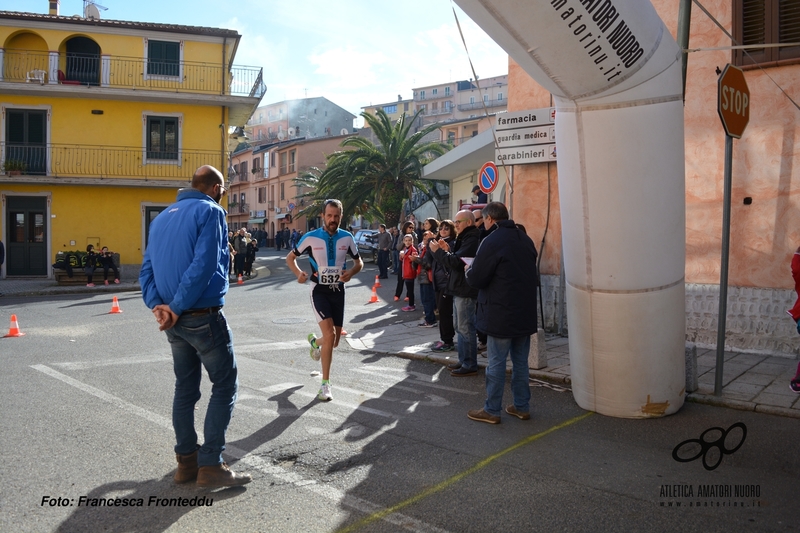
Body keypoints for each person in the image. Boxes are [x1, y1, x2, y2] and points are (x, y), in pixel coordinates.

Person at [139, 165, 251, 488]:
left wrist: (160, 308)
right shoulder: (211, 212)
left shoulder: (160, 219)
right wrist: (173, 307)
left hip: (174, 323)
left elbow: (146, 272)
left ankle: (186, 463)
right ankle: (211, 463)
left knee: (185, 389)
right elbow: (202, 266)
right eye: (224, 191)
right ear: (216, 188)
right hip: (202, 315)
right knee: (225, 384)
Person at [465, 202, 539, 424]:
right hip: (524, 312)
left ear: (489, 219)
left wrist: (468, 271)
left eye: (483, 220)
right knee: (520, 363)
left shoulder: (492, 240)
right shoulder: (525, 239)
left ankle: (492, 410)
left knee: (496, 363)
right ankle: (521, 406)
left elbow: (478, 277)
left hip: (500, 312)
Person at [286, 199, 363, 401]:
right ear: (323, 215)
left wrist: (352, 272)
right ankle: (325, 385)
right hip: (318, 290)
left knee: (334, 341)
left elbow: (359, 262)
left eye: (336, 216)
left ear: (341, 216)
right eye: (329, 215)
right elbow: (290, 258)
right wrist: (298, 273)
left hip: (338, 291)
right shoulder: (311, 237)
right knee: (329, 334)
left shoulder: (347, 238)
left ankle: (314, 342)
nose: (332, 219)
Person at [430, 210, 480, 376]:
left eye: (459, 221)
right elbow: (456, 259)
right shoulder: (465, 237)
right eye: (456, 221)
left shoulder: (471, 238)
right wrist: (446, 251)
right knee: (460, 327)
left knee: (465, 328)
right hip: (460, 287)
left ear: (469, 222)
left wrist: (439, 252)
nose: (456, 224)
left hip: (465, 289)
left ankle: (470, 363)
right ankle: (464, 359)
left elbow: (457, 263)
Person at [430, 220, 455, 351]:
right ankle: (445, 339)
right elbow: (429, 262)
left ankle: (447, 341)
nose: (443, 230)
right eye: (441, 228)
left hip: (447, 283)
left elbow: (450, 261)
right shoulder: (436, 242)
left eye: (447, 228)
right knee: (442, 311)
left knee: (445, 312)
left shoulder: (452, 243)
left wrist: (445, 249)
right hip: (438, 282)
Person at [416, 218, 439, 327]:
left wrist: (415, 259)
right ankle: (430, 318)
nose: (425, 240)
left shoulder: (431, 245)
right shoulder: (425, 247)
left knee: (427, 299)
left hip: (427, 276)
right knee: (426, 299)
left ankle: (430, 320)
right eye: (424, 238)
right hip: (423, 275)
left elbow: (428, 262)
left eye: (427, 237)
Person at [394, 221, 417, 302]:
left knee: (410, 279)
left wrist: (411, 243)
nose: (411, 229)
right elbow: (398, 247)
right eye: (410, 227)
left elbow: (415, 247)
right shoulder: (401, 235)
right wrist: (404, 244)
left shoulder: (414, 235)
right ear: (406, 227)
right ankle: (397, 294)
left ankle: (408, 295)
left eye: (413, 228)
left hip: (410, 260)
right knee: (400, 277)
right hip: (402, 259)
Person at [399, 234, 418, 312]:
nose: (408, 242)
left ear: (412, 241)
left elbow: (413, 259)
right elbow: (402, 259)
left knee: (410, 290)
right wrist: (401, 256)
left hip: (410, 272)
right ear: (403, 241)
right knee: (409, 289)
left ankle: (411, 305)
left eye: (409, 240)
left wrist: (404, 256)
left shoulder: (413, 250)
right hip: (406, 272)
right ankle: (411, 304)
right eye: (406, 240)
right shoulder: (405, 248)